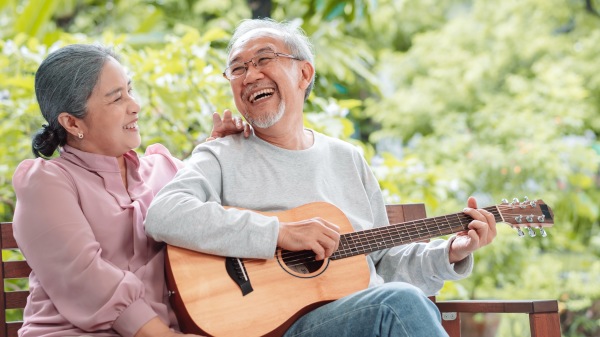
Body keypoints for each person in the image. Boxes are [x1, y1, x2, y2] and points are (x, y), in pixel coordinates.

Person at [145, 18, 497, 337]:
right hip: (273, 326)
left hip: (361, 318)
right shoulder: (221, 154)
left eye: (264, 59)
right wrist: (280, 234)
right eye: (237, 68)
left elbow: (384, 265)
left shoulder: (347, 159)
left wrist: (451, 252)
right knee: (396, 305)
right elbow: (165, 214)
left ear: (304, 74)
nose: (250, 76)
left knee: (396, 302)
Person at [12, 44, 248, 337]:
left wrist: (219, 155)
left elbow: (224, 219)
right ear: (72, 122)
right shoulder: (47, 183)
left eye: (130, 90)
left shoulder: (164, 168)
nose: (134, 105)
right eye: (116, 98)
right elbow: (85, 277)